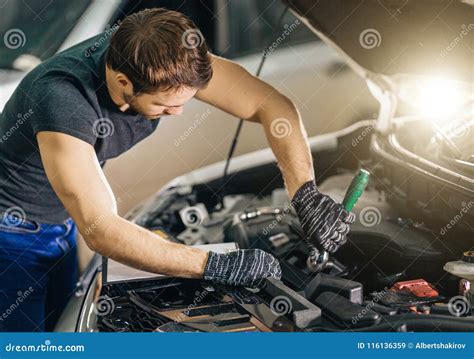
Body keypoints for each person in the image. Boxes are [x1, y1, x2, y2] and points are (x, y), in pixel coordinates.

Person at [0, 8, 354, 331]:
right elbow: (101, 230)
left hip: (58, 222)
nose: (179, 113)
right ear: (124, 82)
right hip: (11, 234)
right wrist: (214, 265)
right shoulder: (63, 98)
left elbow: (270, 104)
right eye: (166, 106)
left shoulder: (157, 52)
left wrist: (305, 193)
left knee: (60, 328)